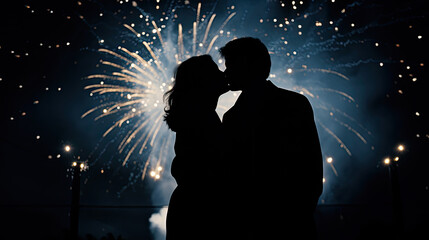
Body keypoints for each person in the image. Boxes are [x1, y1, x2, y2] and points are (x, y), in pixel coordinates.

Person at [220, 37, 323, 239]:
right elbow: (312, 167)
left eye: (231, 65)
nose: (226, 72)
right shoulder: (296, 103)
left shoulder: (232, 118)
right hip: (293, 222)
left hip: (253, 225)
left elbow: (231, 177)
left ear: (249, 66)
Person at [163, 55, 228, 240]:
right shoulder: (203, 120)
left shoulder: (196, 117)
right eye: (216, 71)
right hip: (201, 210)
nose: (223, 74)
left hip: (189, 208)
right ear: (203, 82)